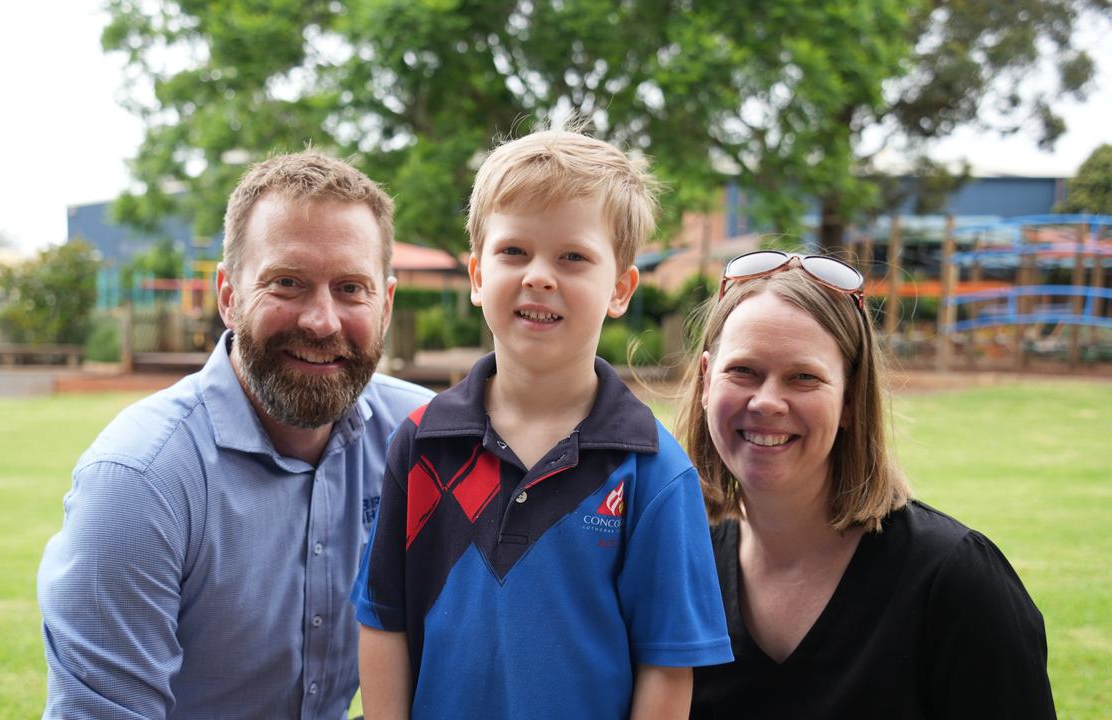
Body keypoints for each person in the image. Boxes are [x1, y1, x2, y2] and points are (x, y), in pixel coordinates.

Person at [37, 149, 434, 719]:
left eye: (351, 288)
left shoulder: (422, 442)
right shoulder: (140, 481)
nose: (321, 321)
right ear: (227, 295)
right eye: (287, 282)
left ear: (386, 304)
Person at [351, 128, 733, 720]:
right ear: (477, 276)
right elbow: (383, 622)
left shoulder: (655, 472)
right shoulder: (422, 444)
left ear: (621, 288)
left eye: (573, 257)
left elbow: (666, 667)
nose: (539, 276)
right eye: (514, 252)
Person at [678, 250, 1057, 718]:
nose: (767, 402)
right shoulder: (679, 569)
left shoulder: (955, 582)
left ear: (852, 400)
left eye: (803, 377)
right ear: (704, 381)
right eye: (743, 371)